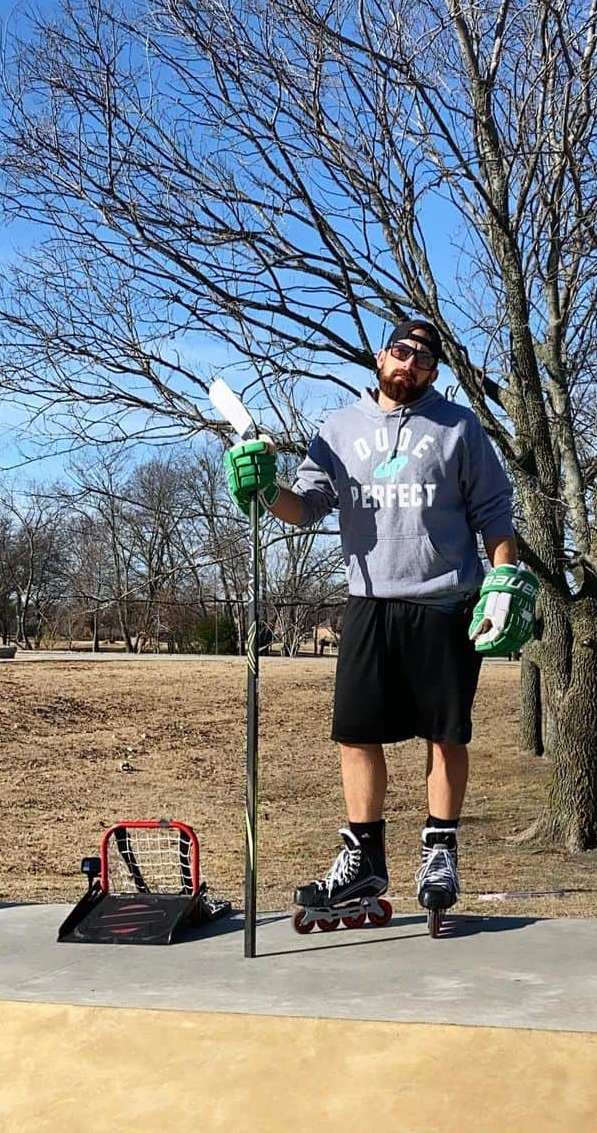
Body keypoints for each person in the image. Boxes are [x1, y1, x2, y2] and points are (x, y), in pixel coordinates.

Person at [224, 317, 538, 921]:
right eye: (402, 351)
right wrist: (263, 491)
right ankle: (364, 859)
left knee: (446, 734)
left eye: (425, 358)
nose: (411, 364)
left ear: (435, 371)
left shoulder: (460, 428)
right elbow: (305, 507)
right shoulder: (338, 429)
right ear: (379, 356)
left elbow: (495, 514)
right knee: (356, 733)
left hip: (447, 602)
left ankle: (441, 851)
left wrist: (503, 576)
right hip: (369, 602)